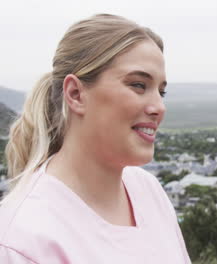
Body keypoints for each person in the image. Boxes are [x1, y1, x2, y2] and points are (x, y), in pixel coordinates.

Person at [0, 14, 191, 263]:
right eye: (138, 85)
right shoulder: (22, 239)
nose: (159, 107)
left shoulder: (148, 190)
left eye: (161, 91)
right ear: (76, 94)